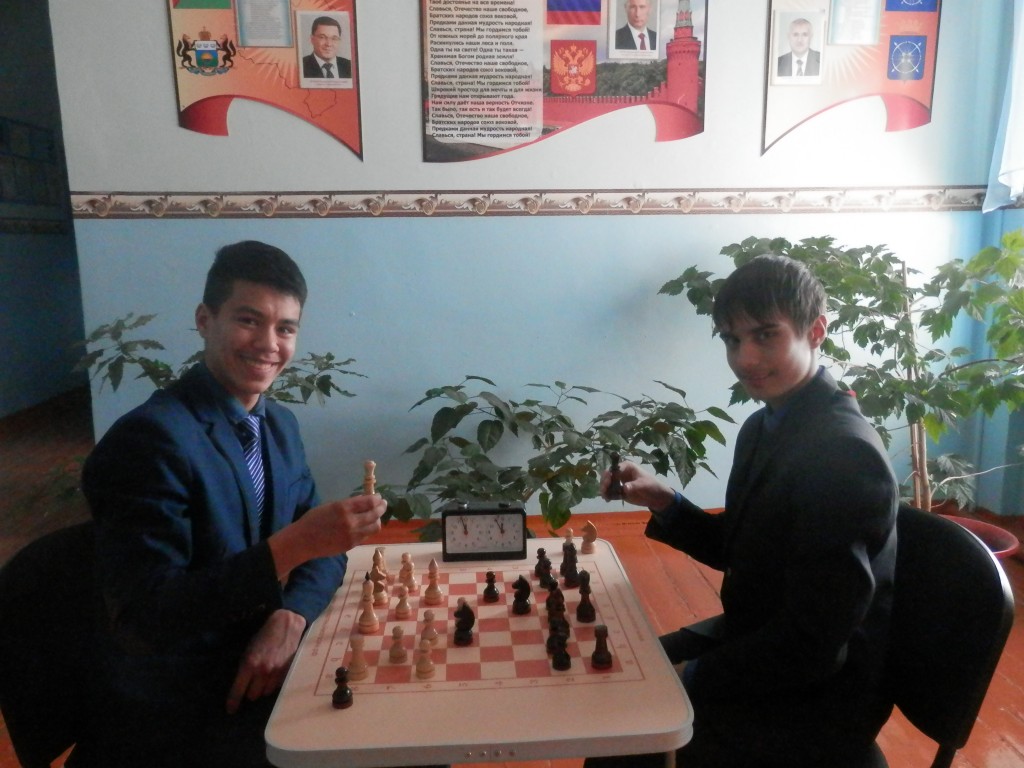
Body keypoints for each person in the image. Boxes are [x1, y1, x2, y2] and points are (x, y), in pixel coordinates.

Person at [585, 255, 898, 767]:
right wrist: (664, 501)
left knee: (624, 733)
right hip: (758, 640)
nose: (746, 358)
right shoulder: (764, 427)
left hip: (816, 697)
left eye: (766, 335)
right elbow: (743, 549)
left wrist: (692, 676)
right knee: (615, 676)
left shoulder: (844, 453)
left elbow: (814, 645)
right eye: (733, 340)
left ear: (815, 332)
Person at [82, 241, 386, 767]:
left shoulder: (279, 426)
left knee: (407, 718)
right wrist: (290, 548)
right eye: (249, 320)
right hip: (187, 702)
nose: (268, 344)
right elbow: (149, 616)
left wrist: (291, 614)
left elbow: (325, 553)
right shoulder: (149, 439)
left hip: (266, 660)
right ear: (205, 320)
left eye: (286, 328)